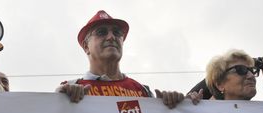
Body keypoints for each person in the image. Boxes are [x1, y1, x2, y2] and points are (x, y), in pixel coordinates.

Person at [56, 10, 202, 108]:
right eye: (101, 32)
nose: (111, 37)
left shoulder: (143, 91)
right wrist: (63, 98)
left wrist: (179, 106)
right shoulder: (71, 88)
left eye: (117, 32)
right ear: (86, 46)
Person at [190, 55, 263, 103]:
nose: (251, 76)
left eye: (252, 70)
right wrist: (182, 104)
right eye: (241, 70)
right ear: (220, 85)